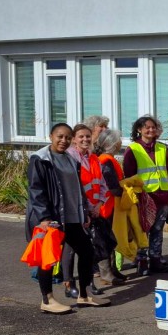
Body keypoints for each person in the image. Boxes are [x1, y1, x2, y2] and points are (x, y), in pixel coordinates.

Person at [26, 123, 108, 313]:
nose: (63, 141)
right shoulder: (40, 159)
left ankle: (85, 294)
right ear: (50, 136)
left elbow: (78, 188)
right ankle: (47, 300)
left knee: (87, 251)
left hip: (71, 217)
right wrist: (44, 217)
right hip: (52, 219)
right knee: (48, 259)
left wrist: (85, 211)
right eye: (59, 137)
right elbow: (36, 190)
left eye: (67, 137)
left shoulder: (71, 160)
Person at [121, 115, 168, 275]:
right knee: (142, 230)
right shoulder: (133, 149)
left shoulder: (162, 148)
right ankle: (142, 261)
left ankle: (155, 259)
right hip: (144, 197)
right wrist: (137, 196)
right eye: (147, 127)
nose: (150, 130)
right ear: (139, 130)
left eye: (153, 127)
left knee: (158, 229)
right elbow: (129, 176)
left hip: (163, 195)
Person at [60, 124, 111, 298]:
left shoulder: (94, 158)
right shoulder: (70, 158)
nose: (85, 140)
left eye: (88, 136)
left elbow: (102, 184)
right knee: (71, 248)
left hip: (93, 210)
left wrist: (99, 205)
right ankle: (68, 284)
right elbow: (74, 188)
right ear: (74, 139)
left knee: (89, 249)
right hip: (76, 210)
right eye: (81, 136)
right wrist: (88, 208)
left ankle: (87, 283)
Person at [93, 128, 127, 285]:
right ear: (113, 144)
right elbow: (112, 186)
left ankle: (112, 270)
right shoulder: (106, 161)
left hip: (107, 206)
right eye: (119, 139)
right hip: (105, 207)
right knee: (104, 240)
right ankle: (107, 274)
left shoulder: (104, 159)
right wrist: (126, 191)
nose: (121, 142)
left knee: (109, 239)